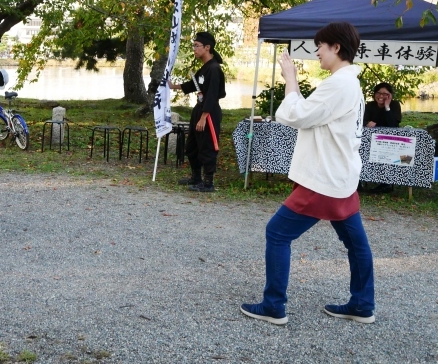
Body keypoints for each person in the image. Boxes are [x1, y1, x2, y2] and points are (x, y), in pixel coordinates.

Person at [240, 22, 375, 325]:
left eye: (321, 47)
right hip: (341, 177)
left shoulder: (339, 84)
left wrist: (291, 80)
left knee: (277, 233)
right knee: (356, 245)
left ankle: (274, 305)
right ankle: (363, 303)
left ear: (336, 47)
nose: (317, 53)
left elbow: (295, 115)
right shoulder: (349, 83)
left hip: (325, 179)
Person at [168, 31, 226, 192]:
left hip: (209, 113)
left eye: (196, 45)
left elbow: (213, 95)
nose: (194, 49)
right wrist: (174, 86)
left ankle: (208, 183)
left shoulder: (214, 69)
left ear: (207, 48)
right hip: (199, 109)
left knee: (207, 145)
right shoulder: (205, 68)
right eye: (193, 45)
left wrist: (203, 117)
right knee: (192, 145)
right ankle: (196, 177)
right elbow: (193, 85)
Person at [361, 81, 403, 193]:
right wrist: (367, 123)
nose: (381, 96)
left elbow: (393, 124)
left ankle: (386, 184)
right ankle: (361, 179)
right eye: (379, 93)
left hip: (389, 141)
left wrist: (387, 107)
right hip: (371, 139)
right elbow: (361, 120)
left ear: (390, 95)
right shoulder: (369, 106)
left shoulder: (395, 105)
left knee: (390, 156)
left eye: (385, 94)